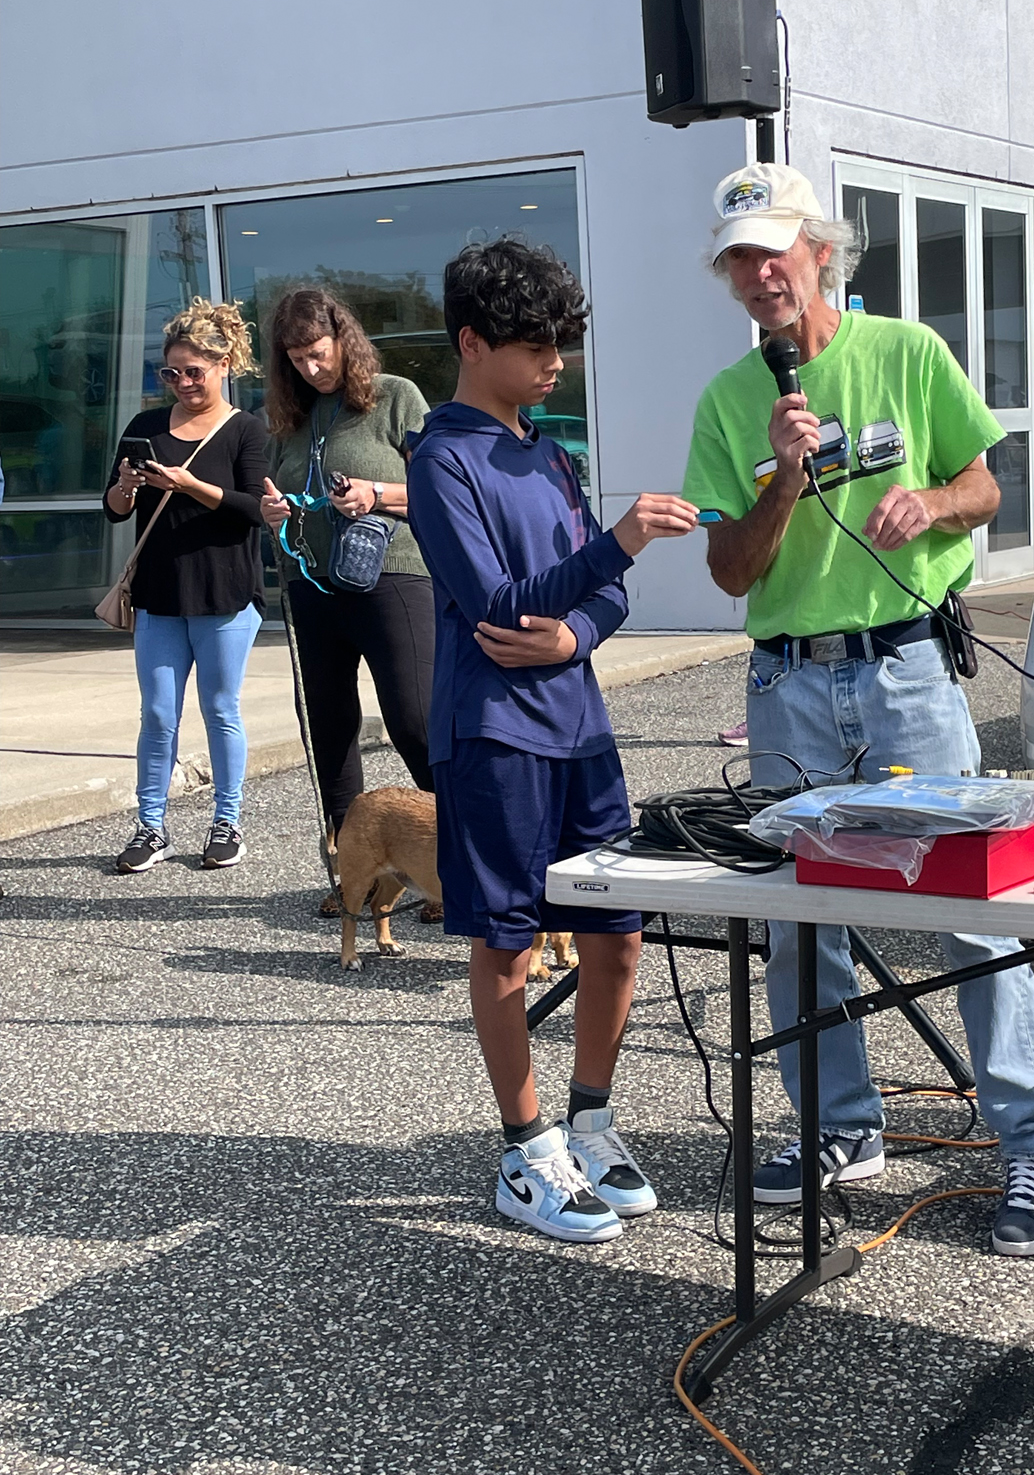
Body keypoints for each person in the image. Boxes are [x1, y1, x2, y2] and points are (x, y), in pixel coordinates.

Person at [682, 163, 1034, 1257]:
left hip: (906, 672)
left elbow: (986, 487)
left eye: (774, 252)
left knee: (973, 905)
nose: (760, 275)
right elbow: (728, 570)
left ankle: (1033, 1139)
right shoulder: (730, 400)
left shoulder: (907, 352)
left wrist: (935, 501)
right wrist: (783, 478)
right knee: (800, 922)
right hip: (789, 683)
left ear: (820, 251)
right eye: (740, 260)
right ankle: (840, 1127)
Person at [407, 239, 698, 1244]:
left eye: (560, 345)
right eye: (535, 346)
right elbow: (496, 604)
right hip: (491, 734)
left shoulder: (551, 453)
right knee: (508, 941)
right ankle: (526, 1149)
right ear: (471, 342)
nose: (555, 364)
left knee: (620, 932)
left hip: (579, 724)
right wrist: (615, 546)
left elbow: (598, 600)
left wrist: (576, 634)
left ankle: (591, 1123)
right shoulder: (440, 459)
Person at [258, 288, 435, 877]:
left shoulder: (395, 397)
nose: (311, 368)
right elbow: (277, 493)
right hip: (312, 584)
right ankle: (349, 871)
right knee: (328, 729)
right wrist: (275, 512)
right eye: (297, 359)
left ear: (343, 338)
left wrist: (376, 493)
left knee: (415, 721)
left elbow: (444, 490)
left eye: (318, 352)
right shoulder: (290, 419)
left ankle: (455, 858)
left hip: (392, 576)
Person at [103, 299, 269, 874]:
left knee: (221, 709)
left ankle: (228, 821)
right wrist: (127, 485)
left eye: (193, 371)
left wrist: (190, 485)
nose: (182, 383)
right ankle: (151, 827)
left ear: (224, 364)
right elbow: (115, 510)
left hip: (225, 594)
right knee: (156, 715)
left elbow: (254, 509)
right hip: (159, 594)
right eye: (170, 373)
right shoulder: (145, 427)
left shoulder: (246, 429)